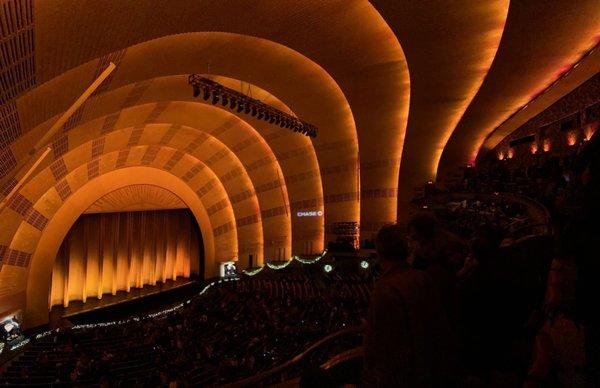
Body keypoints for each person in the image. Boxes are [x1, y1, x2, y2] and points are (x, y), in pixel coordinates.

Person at [363, 224, 456, 387]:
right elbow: (439, 326)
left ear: (379, 252)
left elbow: (386, 343)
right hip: (429, 370)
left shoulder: (386, 288)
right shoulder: (422, 278)